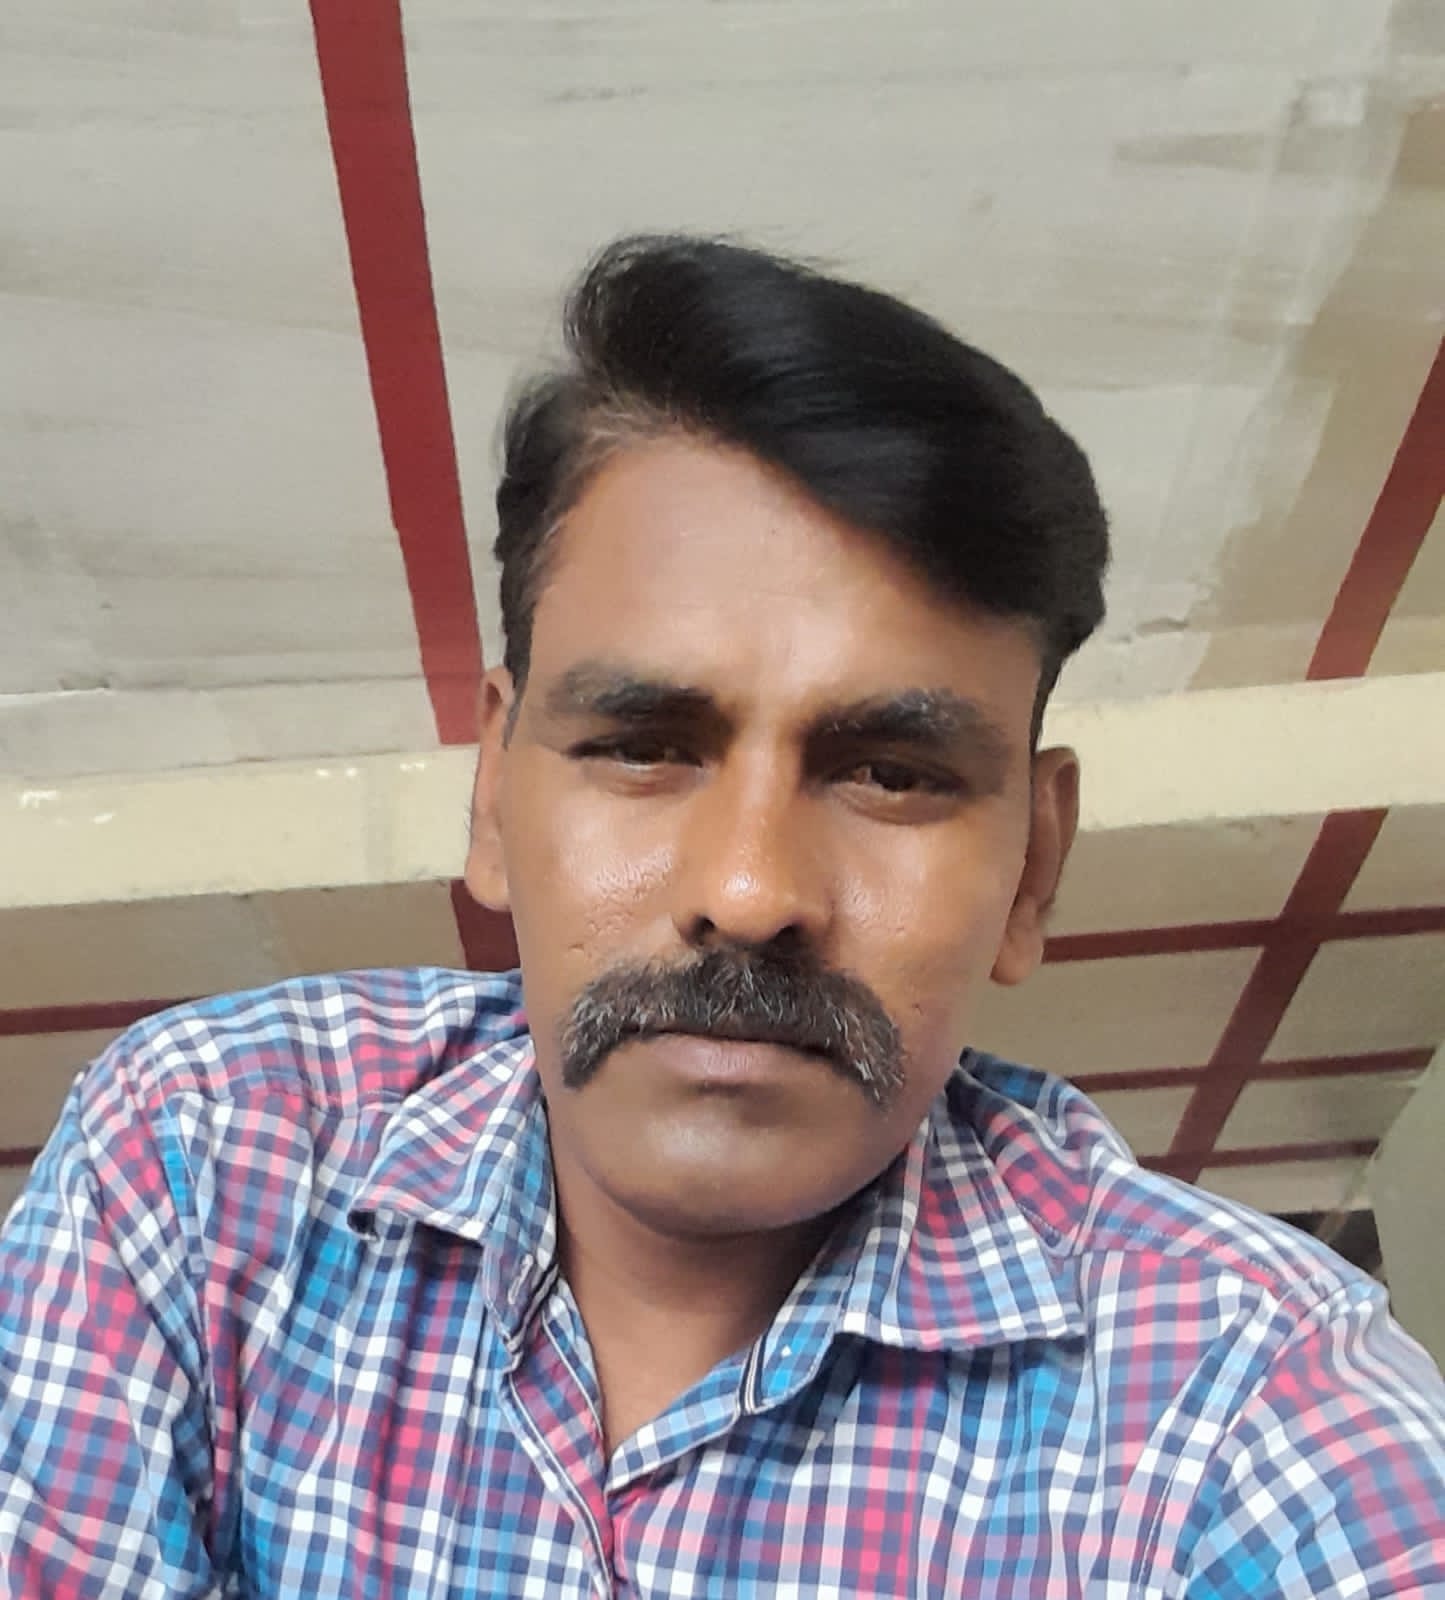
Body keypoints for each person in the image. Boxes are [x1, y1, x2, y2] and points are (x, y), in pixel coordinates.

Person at [1, 237, 1441, 1600]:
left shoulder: (1246, 1407)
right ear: (494, 796)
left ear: (1031, 870)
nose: (749, 894)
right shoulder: (206, 1163)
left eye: (892, 773)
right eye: (641, 746)